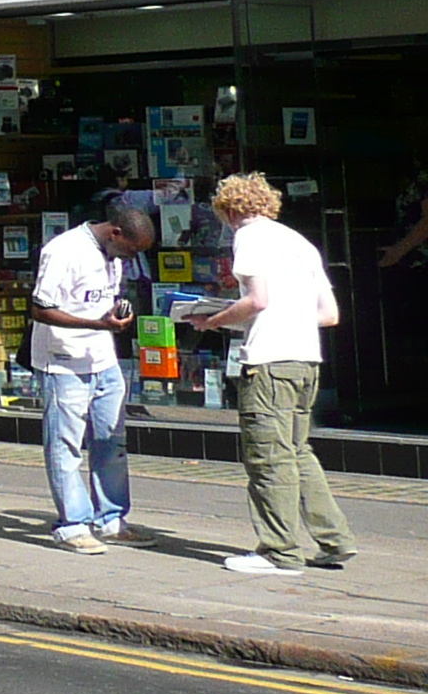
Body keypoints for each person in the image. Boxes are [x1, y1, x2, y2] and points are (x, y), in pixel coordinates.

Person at [185, 173, 354, 575]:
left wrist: (214, 320)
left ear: (228, 211)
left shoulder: (250, 237)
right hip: (305, 361)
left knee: (267, 459)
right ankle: (334, 540)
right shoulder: (300, 243)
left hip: (269, 363)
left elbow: (256, 301)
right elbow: (329, 315)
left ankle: (279, 553)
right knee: (298, 452)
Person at [28, 203, 154, 554]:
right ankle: (72, 525)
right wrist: (98, 324)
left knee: (111, 443)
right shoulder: (63, 251)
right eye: (130, 250)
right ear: (115, 232)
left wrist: (112, 315)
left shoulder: (112, 255)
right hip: (64, 362)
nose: (130, 258)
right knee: (65, 446)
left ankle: (110, 520)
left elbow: (98, 302)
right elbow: (40, 308)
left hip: (103, 359)